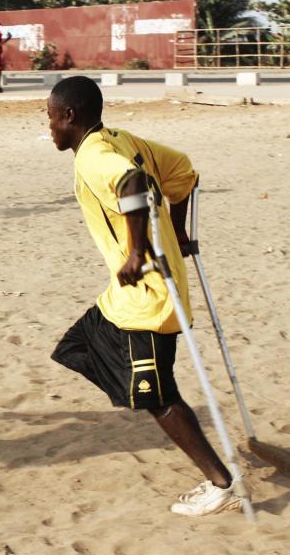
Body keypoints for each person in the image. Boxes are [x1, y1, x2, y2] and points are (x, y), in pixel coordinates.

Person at [46, 76, 242, 517]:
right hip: (125, 297)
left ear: (70, 116)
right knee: (78, 345)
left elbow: (132, 183)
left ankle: (220, 482)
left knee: (157, 396)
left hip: (149, 297)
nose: (50, 127)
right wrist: (177, 227)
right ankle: (140, 389)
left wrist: (137, 252)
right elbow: (183, 172)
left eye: (51, 117)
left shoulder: (96, 156)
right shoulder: (120, 138)